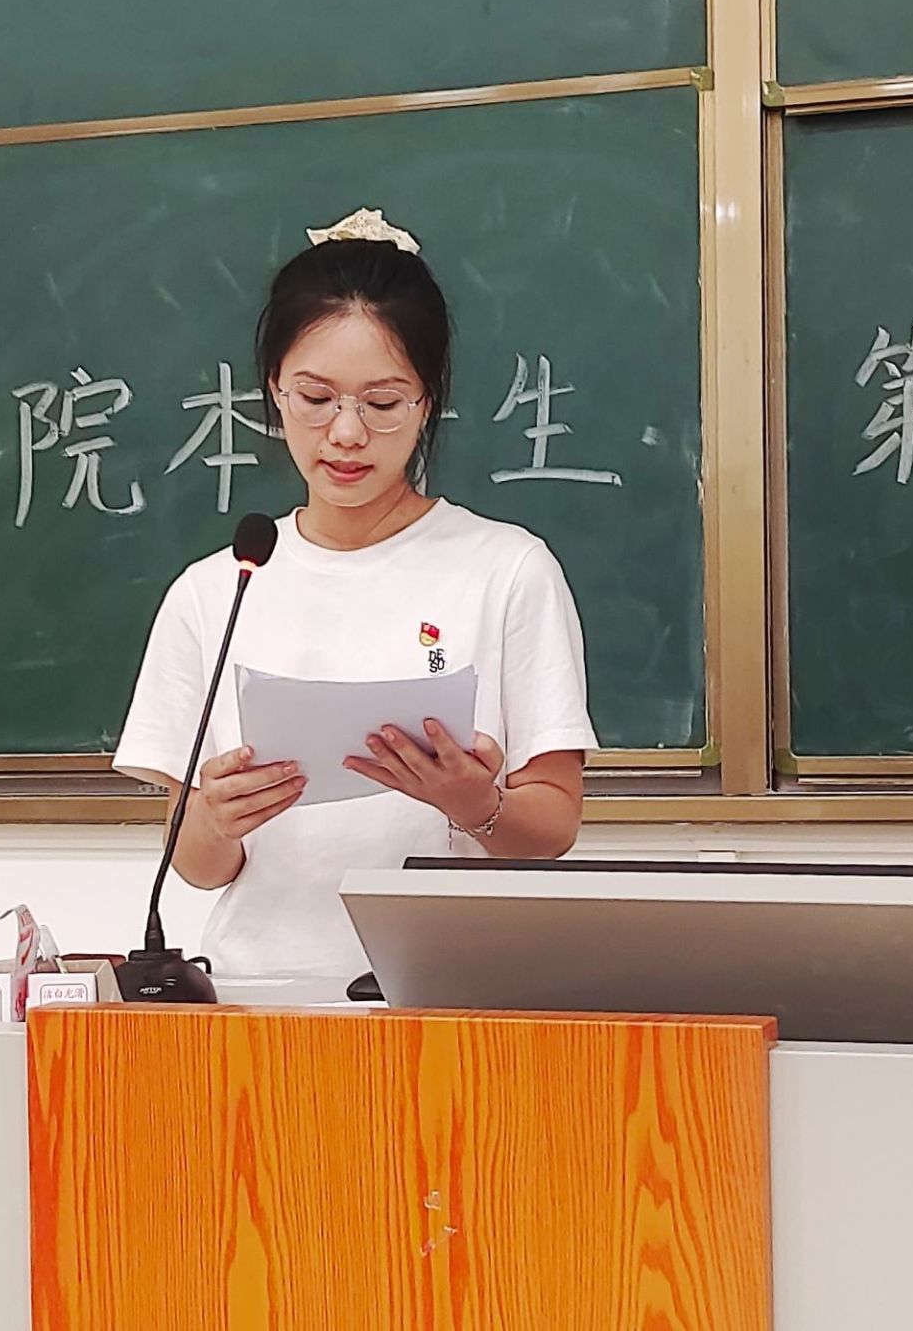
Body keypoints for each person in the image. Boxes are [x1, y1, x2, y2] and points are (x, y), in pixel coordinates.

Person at [113, 208, 596, 980]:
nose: (345, 434)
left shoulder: (507, 569)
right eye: (315, 398)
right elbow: (198, 866)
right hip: (259, 997)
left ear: (427, 401)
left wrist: (476, 804)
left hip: (452, 996)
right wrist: (217, 817)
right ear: (275, 391)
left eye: (382, 403)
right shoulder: (218, 588)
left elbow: (554, 825)